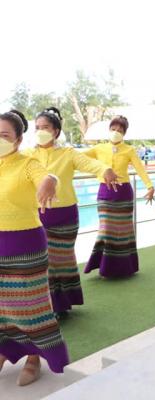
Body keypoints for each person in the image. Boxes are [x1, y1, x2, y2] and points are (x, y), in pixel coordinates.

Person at [25, 107, 118, 317]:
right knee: (43, 262)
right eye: (37, 127)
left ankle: (62, 304)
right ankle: (47, 304)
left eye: (45, 127)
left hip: (64, 216)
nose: (40, 131)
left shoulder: (68, 153)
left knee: (60, 261)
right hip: (36, 216)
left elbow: (90, 163)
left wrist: (105, 169)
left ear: (56, 131)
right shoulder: (28, 155)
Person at [0, 110, 69, 386]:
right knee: (2, 305)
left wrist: (51, 180)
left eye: (4, 135)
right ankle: (4, 350)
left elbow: (46, 176)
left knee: (31, 306)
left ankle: (34, 357)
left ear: (18, 140)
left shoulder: (27, 164)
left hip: (25, 243)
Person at [84, 116, 155, 278]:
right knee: (106, 230)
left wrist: (150, 186)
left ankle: (125, 267)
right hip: (105, 192)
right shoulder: (98, 148)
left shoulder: (129, 150)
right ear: (109, 130)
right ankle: (105, 267)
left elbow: (140, 168)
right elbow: (78, 159)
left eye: (120, 130)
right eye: (113, 129)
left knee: (123, 231)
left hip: (123, 194)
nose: (116, 132)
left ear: (124, 133)